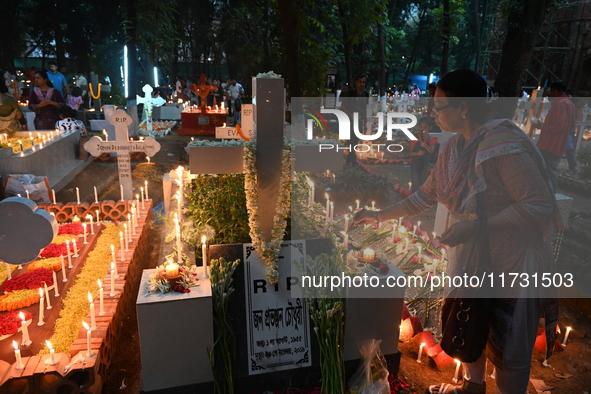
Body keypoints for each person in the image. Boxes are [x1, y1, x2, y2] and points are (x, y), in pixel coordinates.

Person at [352, 69, 559, 394]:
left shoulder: (504, 145)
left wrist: (477, 227)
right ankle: (472, 386)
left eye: (439, 106)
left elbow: (538, 205)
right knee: (471, 326)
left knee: (509, 352)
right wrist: (378, 216)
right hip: (473, 261)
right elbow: (424, 196)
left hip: (511, 264)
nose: (433, 113)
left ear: (463, 107)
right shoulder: (453, 149)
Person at [531, 81, 575, 190]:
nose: (550, 94)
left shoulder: (561, 104)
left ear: (555, 91)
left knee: (547, 171)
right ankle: (548, 195)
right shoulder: (569, 104)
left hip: (550, 145)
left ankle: (550, 196)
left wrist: (542, 127)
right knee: (548, 170)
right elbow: (570, 125)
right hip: (558, 144)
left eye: (551, 91)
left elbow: (559, 125)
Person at [340, 74, 369, 166]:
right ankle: (353, 161)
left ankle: (350, 160)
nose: (362, 84)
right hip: (349, 121)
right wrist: (351, 116)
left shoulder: (365, 95)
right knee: (351, 141)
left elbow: (365, 108)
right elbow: (343, 107)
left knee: (355, 141)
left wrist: (365, 122)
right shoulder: (350, 93)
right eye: (360, 82)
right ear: (356, 83)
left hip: (359, 122)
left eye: (363, 82)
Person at [409, 117, 435, 192]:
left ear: (430, 128)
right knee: (415, 183)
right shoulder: (414, 139)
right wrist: (417, 153)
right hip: (415, 165)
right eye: (421, 127)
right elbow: (410, 152)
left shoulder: (430, 139)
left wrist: (426, 146)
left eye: (425, 127)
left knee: (423, 182)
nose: (422, 129)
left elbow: (431, 151)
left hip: (424, 165)